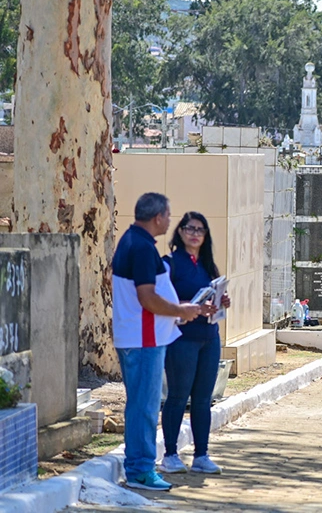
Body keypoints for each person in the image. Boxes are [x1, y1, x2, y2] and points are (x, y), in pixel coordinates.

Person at [112, 193, 203, 491]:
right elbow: (147, 297)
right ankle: (140, 470)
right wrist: (180, 311)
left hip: (140, 336)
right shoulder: (139, 246)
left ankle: (139, 466)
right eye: (168, 215)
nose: (169, 220)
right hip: (142, 339)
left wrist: (179, 311)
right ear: (158, 218)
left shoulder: (134, 242)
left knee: (140, 404)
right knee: (145, 407)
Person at [159, 212, 231, 475]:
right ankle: (169, 454)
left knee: (203, 399)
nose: (195, 233)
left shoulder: (208, 265)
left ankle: (201, 455)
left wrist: (222, 302)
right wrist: (194, 308)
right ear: (180, 232)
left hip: (209, 338)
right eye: (189, 228)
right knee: (177, 396)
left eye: (200, 230)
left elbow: (213, 294)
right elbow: (161, 301)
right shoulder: (169, 264)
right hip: (182, 339)